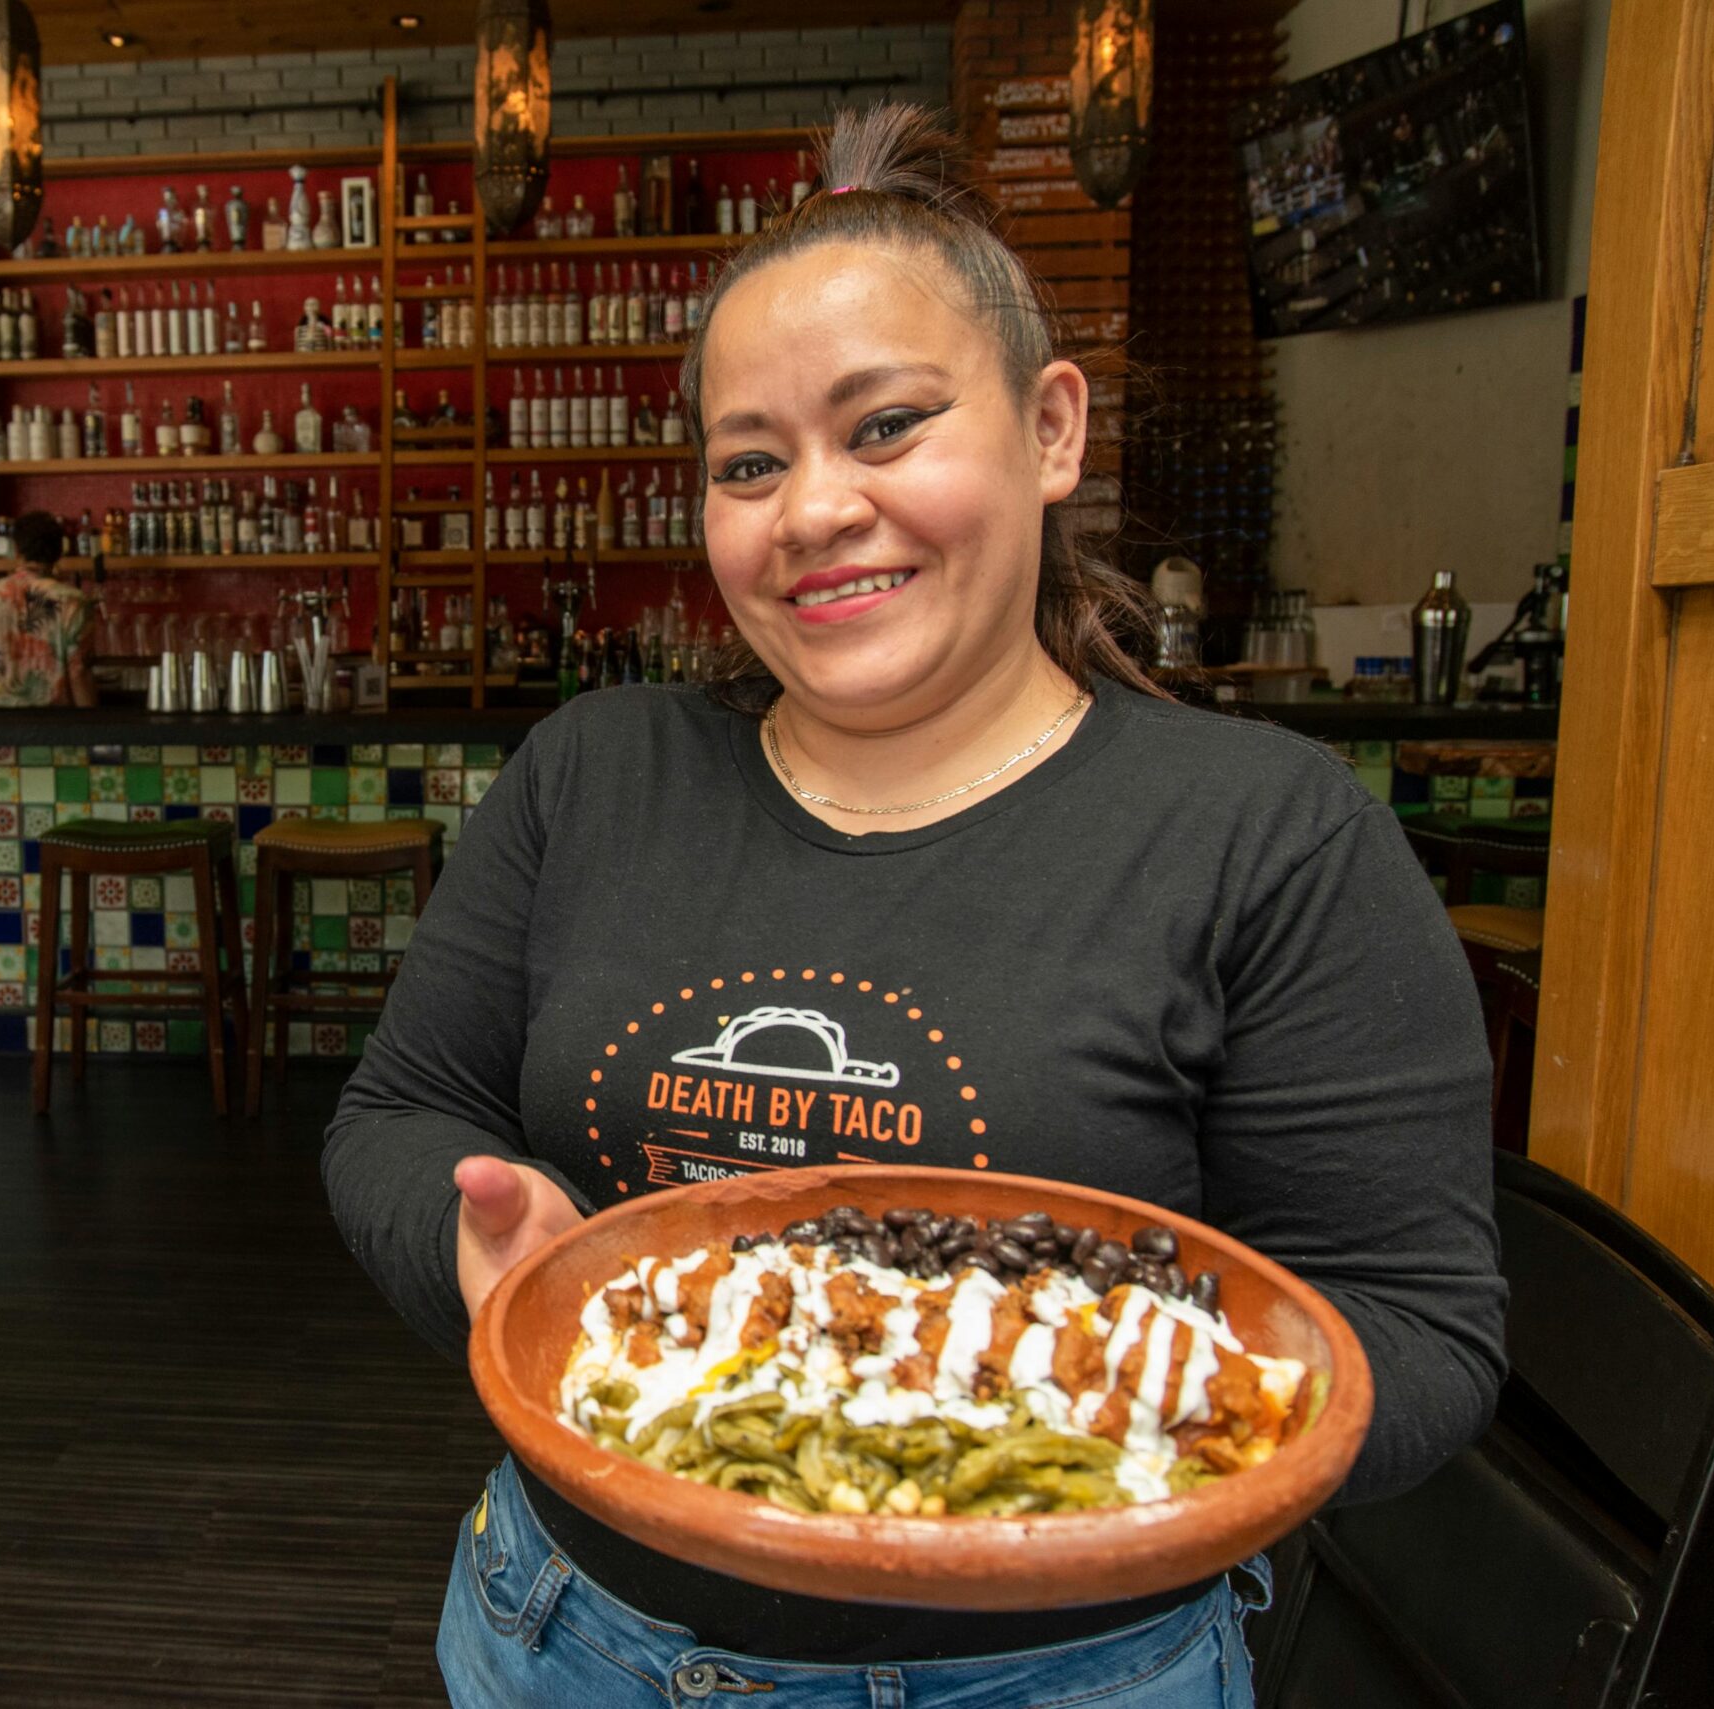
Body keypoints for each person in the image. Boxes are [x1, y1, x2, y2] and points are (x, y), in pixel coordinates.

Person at [323, 107, 1502, 1707]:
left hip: (1065, 1677)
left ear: (1052, 429)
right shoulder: (592, 773)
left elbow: (1416, 1329)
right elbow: (399, 1112)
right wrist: (504, 1268)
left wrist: (1036, 1430)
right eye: (750, 463)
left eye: (885, 427)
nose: (811, 511)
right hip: (562, 1636)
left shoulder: (1266, 836)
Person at [0, 510, 97, 706]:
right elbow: (79, 671)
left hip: (1, 718)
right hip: (57, 722)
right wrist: (91, 726)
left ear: (16, 550)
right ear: (59, 552)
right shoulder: (73, 601)